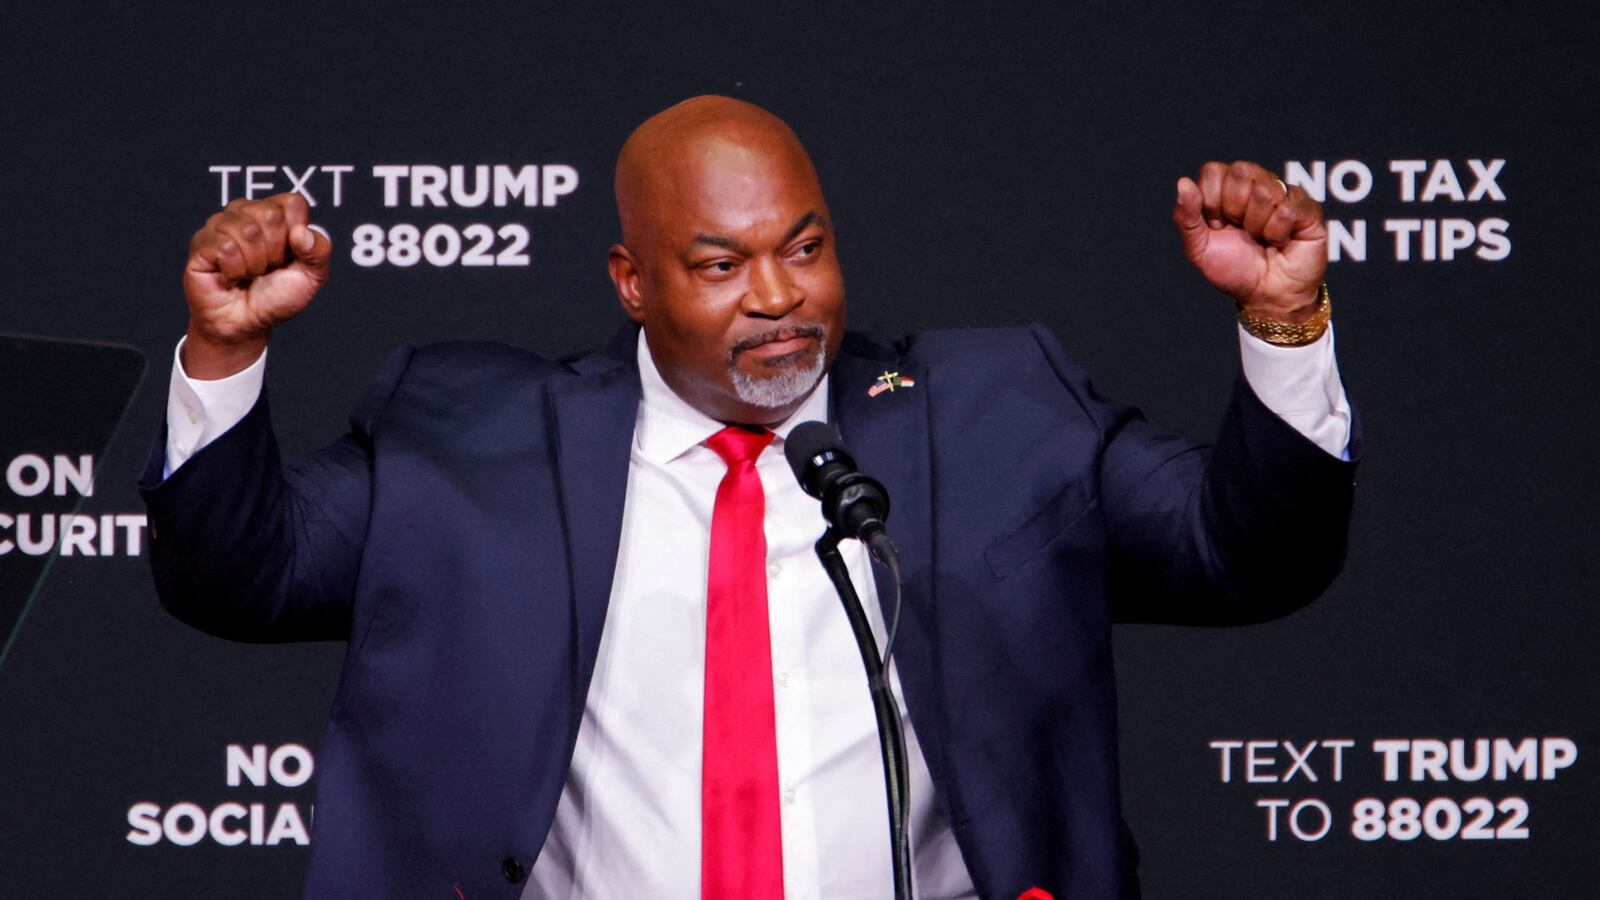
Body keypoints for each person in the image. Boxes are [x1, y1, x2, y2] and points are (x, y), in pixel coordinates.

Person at [141, 96, 1357, 899]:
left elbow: (1246, 555)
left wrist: (1283, 318)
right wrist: (227, 353)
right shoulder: (469, 439)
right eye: (721, 265)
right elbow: (237, 577)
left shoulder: (998, 415)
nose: (778, 296)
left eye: (804, 248)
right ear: (631, 281)